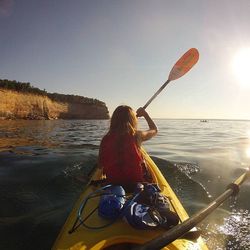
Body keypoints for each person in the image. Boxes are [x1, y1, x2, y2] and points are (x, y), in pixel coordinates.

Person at [98, 105, 157, 190]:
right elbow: (154, 130)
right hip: (137, 185)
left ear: (113, 120)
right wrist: (145, 114)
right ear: (133, 120)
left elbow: (100, 165)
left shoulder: (105, 139)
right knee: (142, 161)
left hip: (113, 185)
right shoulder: (137, 135)